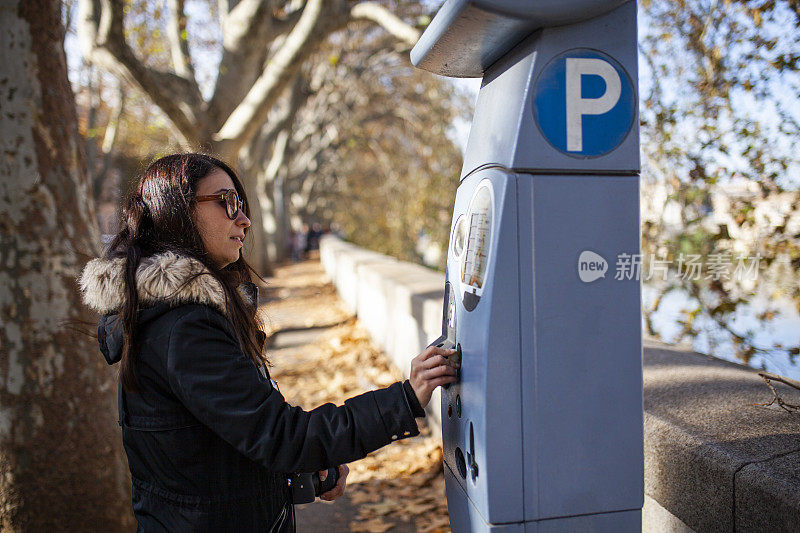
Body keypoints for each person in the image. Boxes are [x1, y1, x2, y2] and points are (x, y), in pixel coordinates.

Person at [78, 153, 458, 532]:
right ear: (178, 212)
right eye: (227, 203)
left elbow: (225, 443)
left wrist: (304, 468)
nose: (243, 219)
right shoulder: (184, 329)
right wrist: (406, 397)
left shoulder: (170, 316)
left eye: (241, 205)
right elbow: (282, 437)